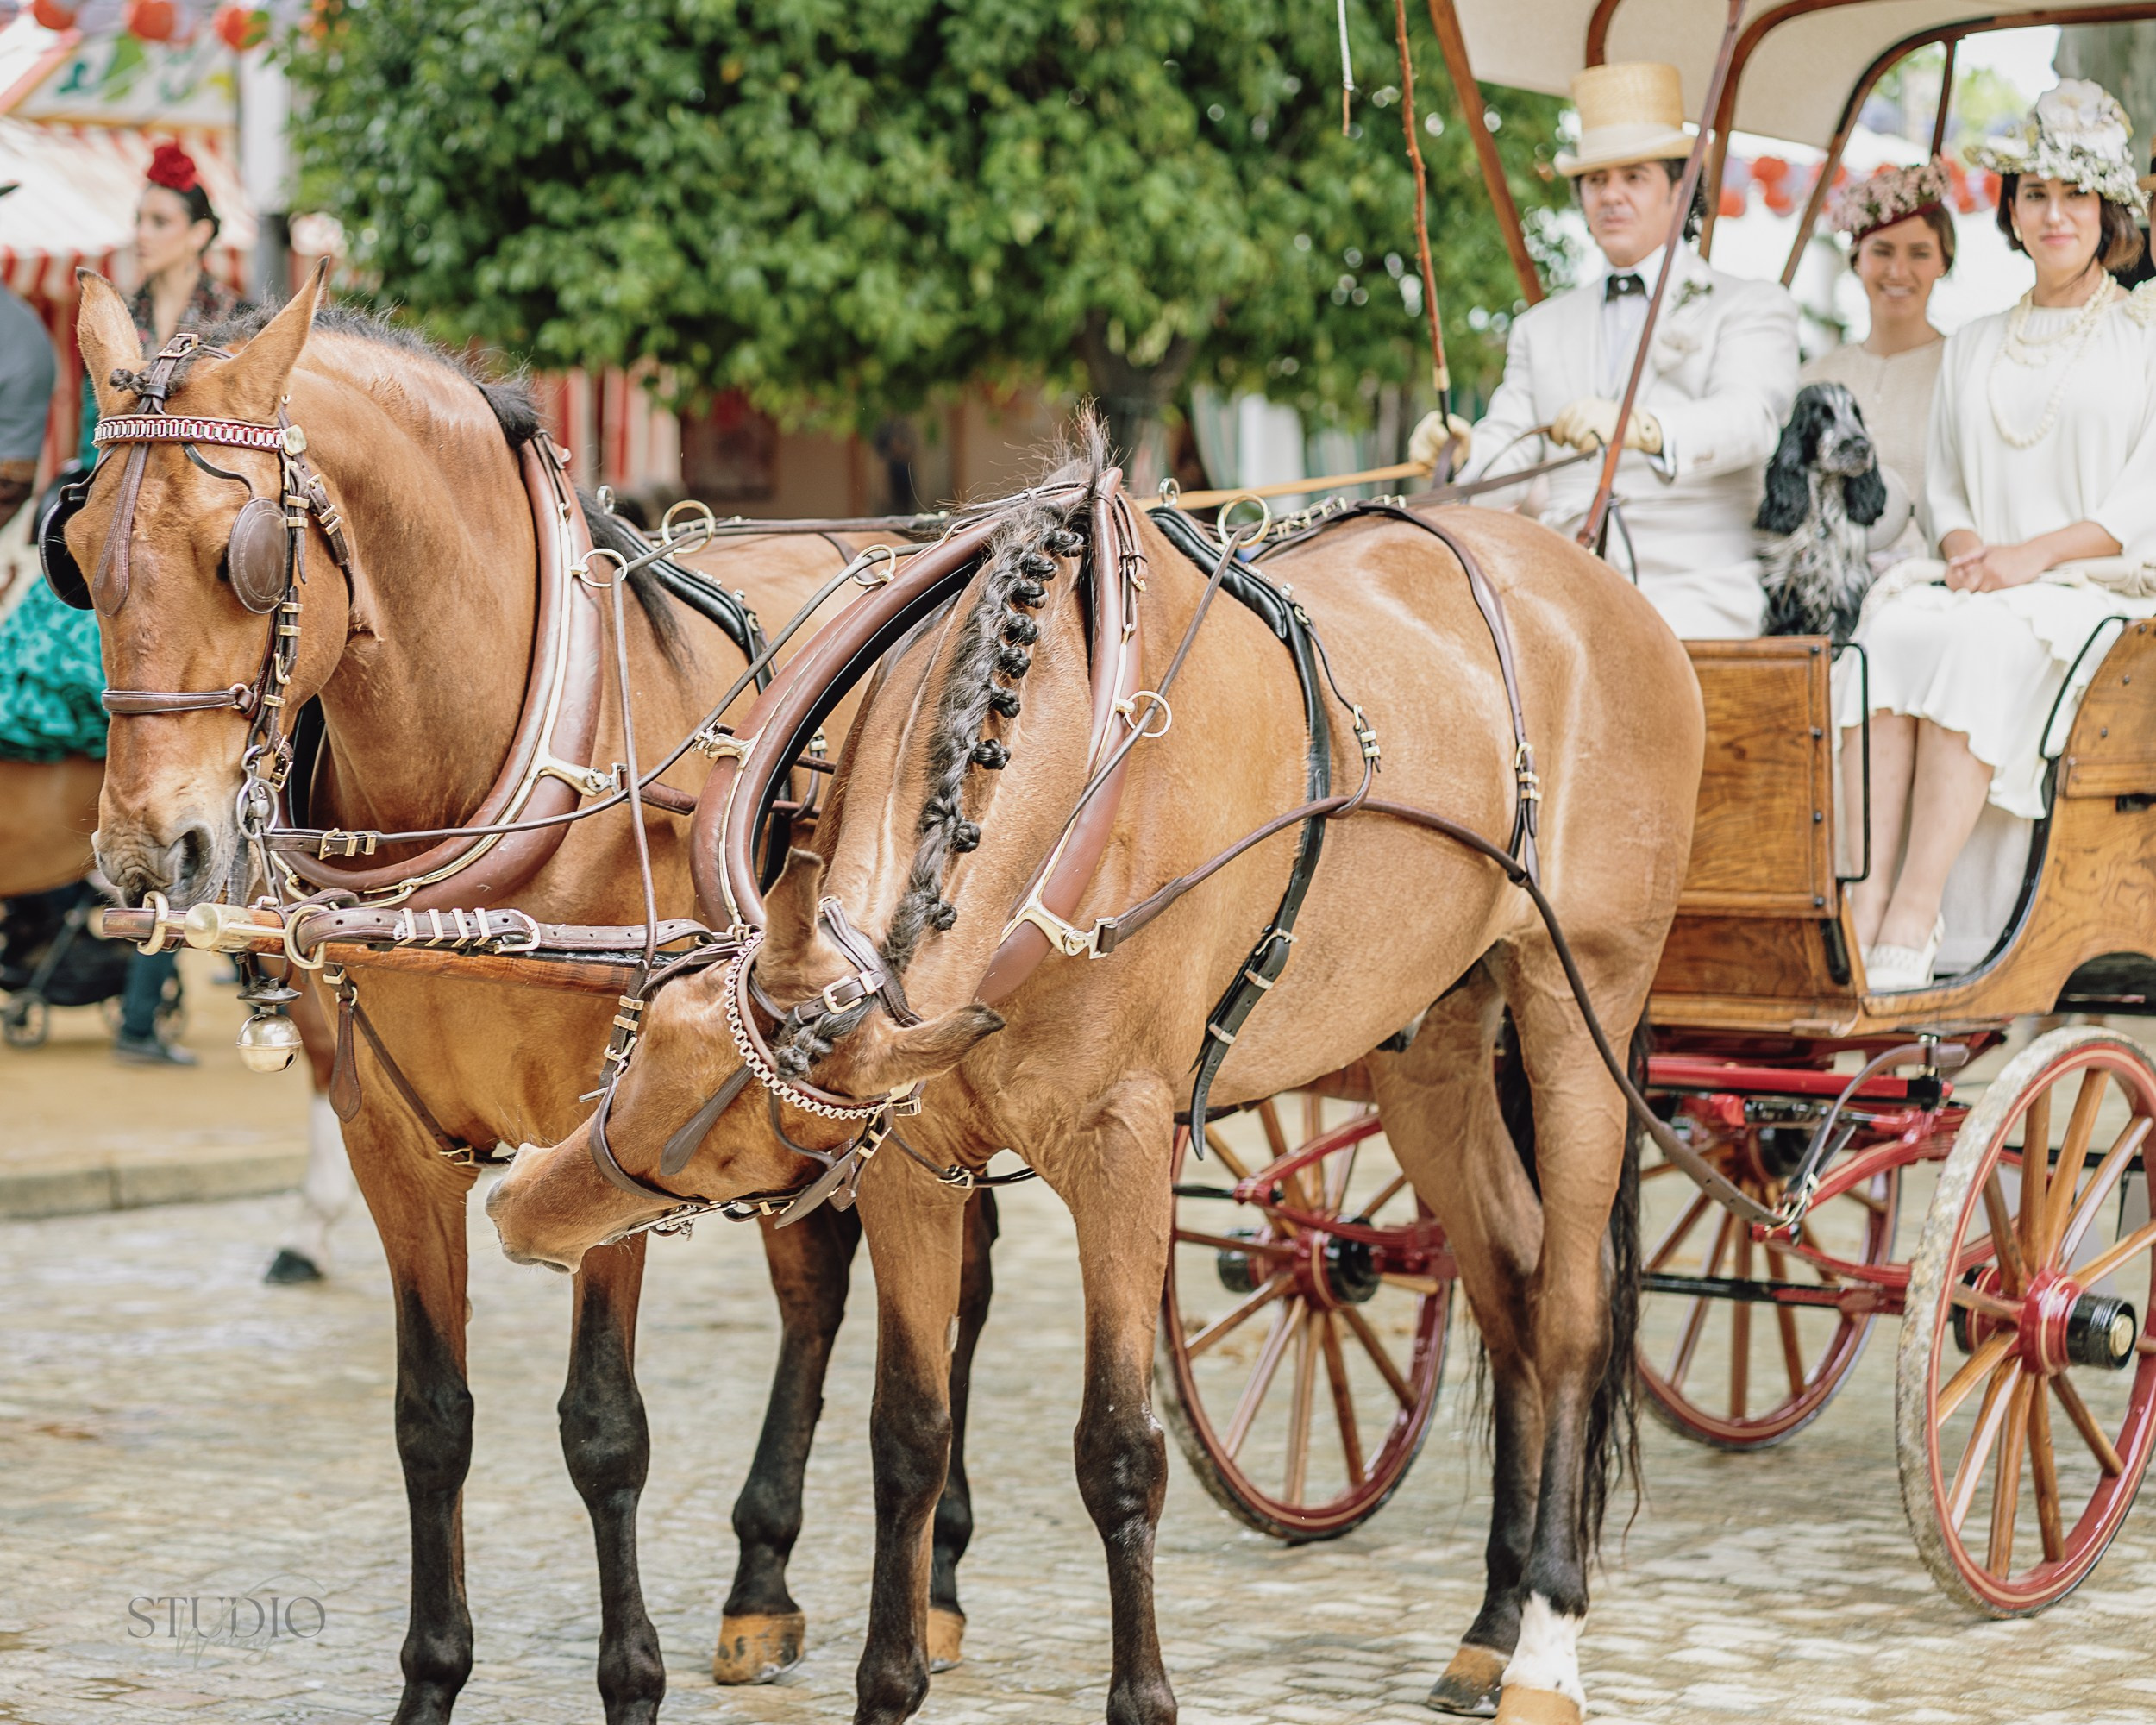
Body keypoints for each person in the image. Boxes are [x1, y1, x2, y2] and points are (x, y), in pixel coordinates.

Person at [1840, 80, 2156, 990]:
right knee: (1888, 633)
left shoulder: (2144, 334)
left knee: (1971, 642)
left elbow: (2144, 497)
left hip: (2101, 591)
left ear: (2108, 211)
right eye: (2033, 193)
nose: (2052, 214)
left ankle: (1917, 910)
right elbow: (1945, 483)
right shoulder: (1975, 341)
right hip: (1982, 581)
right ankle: (1859, 901)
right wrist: (1964, 545)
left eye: (2073, 195)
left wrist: (2036, 555)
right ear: (2011, 211)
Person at [1410, 61, 1800, 637]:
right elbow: (1509, 452)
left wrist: (1640, 426)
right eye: (1596, 181)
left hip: (1698, 590)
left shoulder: (1749, 304)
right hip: (1560, 588)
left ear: (1679, 189)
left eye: (1634, 177)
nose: (1611, 196)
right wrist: (1463, 454)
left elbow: (1751, 421)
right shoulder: (1540, 328)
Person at [94, 144, 249, 1063]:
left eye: (159, 219)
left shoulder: (224, 327)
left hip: (193, 565)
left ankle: (145, 1001)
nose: (142, 233)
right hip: (117, 552)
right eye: (139, 218)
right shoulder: (115, 323)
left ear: (197, 232)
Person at [1802, 159, 1955, 561]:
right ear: (1857, 261)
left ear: (1944, 262)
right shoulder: (1816, 378)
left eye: (1919, 253)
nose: (1898, 271)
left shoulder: (1963, 369)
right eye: (1882, 252)